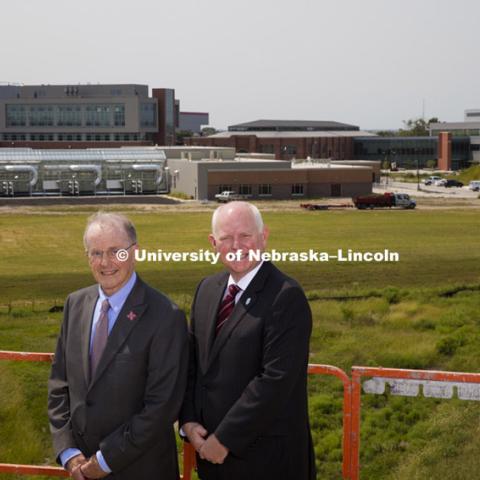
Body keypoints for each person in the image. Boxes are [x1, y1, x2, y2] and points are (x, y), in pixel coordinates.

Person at [180, 201, 316, 480]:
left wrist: (225, 439)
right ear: (212, 243)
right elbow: (193, 363)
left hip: (267, 461)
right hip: (210, 457)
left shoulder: (286, 296)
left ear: (263, 237)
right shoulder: (206, 289)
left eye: (245, 236)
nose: (236, 245)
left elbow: (275, 381)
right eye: (226, 238)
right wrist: (189, 422)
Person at [48, 212, 188, 480]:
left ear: (134, 252)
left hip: (141, 469)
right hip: (80, 469)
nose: (105, 262)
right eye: (96, 253)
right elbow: (59, 384)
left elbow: (162, 407)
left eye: (116, 252)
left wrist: (105, 460)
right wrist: (68, 452)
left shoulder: (166, 316)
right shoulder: (75, 304)